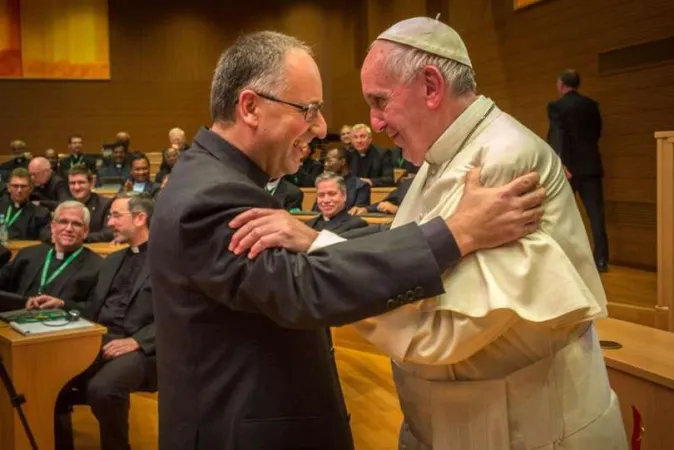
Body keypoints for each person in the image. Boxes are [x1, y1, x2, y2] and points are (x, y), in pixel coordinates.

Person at [231, 19, 627, 450]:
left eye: (380, 101)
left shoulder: (502, 160)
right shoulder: (440, 158)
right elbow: (406, 259)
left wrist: (323, 261)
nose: (375, 122)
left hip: (526, 428)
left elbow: (444, 333)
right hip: (463, 421)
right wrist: (317, 243)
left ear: (431, 86)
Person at [149, 30, 545, 450]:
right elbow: (305, 288)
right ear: (250, 107)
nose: (320, 128)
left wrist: (314, 236)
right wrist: (457, 234)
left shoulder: (217, 178)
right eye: (309, 110)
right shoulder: (210, 194)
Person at [55, 192, 156, 450]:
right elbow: (92, 309)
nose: (109, 223)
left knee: (104, 390)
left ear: (140, 218)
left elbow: (181, 315)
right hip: (98, 339)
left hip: (143, 347)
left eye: (115, 216)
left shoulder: (169, 262)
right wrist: (63, 306)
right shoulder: (112, 260)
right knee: (53, 380)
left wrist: (136, 341)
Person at [547, 69, 609, 272]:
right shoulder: (592, 106)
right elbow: (597, 132)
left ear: (562, 85)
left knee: (561, 214)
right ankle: (601, 260)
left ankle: (565, 257)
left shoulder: (557, 107)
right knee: (596, 215)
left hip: (569, 169)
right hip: (591, 166)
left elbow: (558, 136)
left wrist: (560, 163)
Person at [0, 201, 102, 312]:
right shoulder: (28, 254)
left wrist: (63, 305)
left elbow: (95, 307)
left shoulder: (97, 267)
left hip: (63, 326)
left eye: (76, 224)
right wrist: (22, 301)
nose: (68, 229)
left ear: (85, 231)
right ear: (53, 227)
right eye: (63, 222)